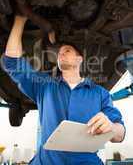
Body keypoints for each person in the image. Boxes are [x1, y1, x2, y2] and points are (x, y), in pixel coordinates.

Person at [1, 16, 125, 165]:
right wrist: (20, 20)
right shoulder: (44, 86)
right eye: (59, 53)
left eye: (67, 50)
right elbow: (12, 63)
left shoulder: (100, 94)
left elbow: (120, 134)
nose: (60, 53)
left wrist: (111, 127)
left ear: (80, 59)